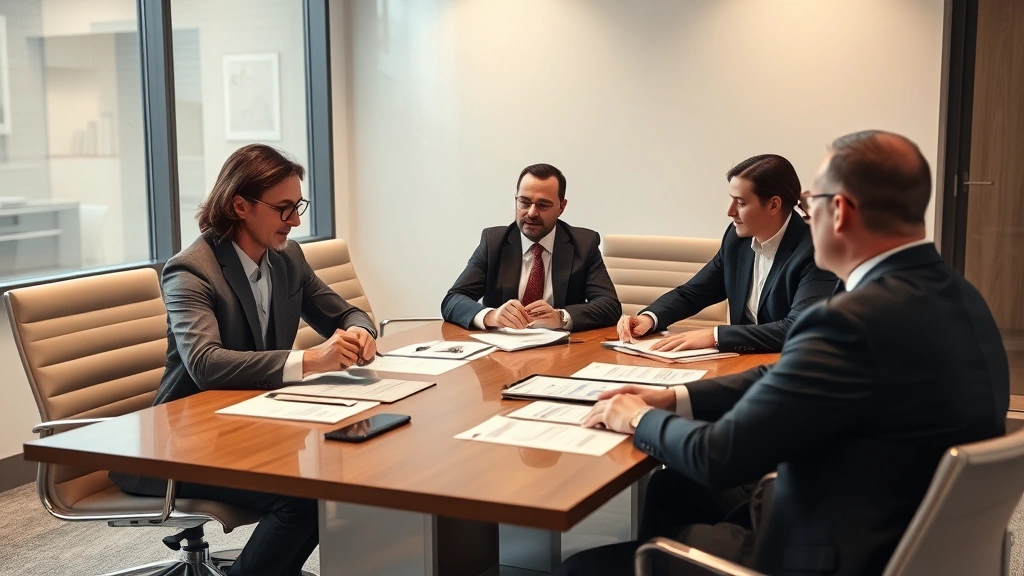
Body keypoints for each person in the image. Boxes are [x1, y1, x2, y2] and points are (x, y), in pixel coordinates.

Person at [560, 131, 1009, 576]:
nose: (805, 214)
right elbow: (783, 377)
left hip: (825, 551)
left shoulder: (850, 321)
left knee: (579, 568)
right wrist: (677, 398)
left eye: (809, 202)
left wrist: (636, 417)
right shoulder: (960, 295)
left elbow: (719, 455)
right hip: (897, 527)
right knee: (674, 486)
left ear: (840, 212)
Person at [112, 144, 378, 576]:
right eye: (283, 208)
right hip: (178, 445)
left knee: (342, 473)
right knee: (302, 499)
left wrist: (360, 331)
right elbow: (205, 363)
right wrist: (309, 360)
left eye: (298, 206)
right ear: (240, 205)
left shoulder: (287, 257)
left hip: (255, 426)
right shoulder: (191, 270)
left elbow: (344, 312)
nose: (294, 221)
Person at [617, 154, 837, 354]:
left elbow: (796, 327)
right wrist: (650, 318)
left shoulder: (816, 249)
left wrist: (714, 336)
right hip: (742, 362)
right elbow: (693, 293)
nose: (730, 211)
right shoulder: (736, 239)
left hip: (794, 364)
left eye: (740, 202)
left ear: (773, 204)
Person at [441, 163, 621, 332]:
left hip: (561, 353)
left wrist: (561, 317)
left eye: (543, 205)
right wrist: (491, 316)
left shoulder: (583, 244)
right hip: (503, 354)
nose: (532, 213)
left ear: (561, 207)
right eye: (524, 202)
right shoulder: (494, 243)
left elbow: (610, 305)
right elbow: (453, 300)